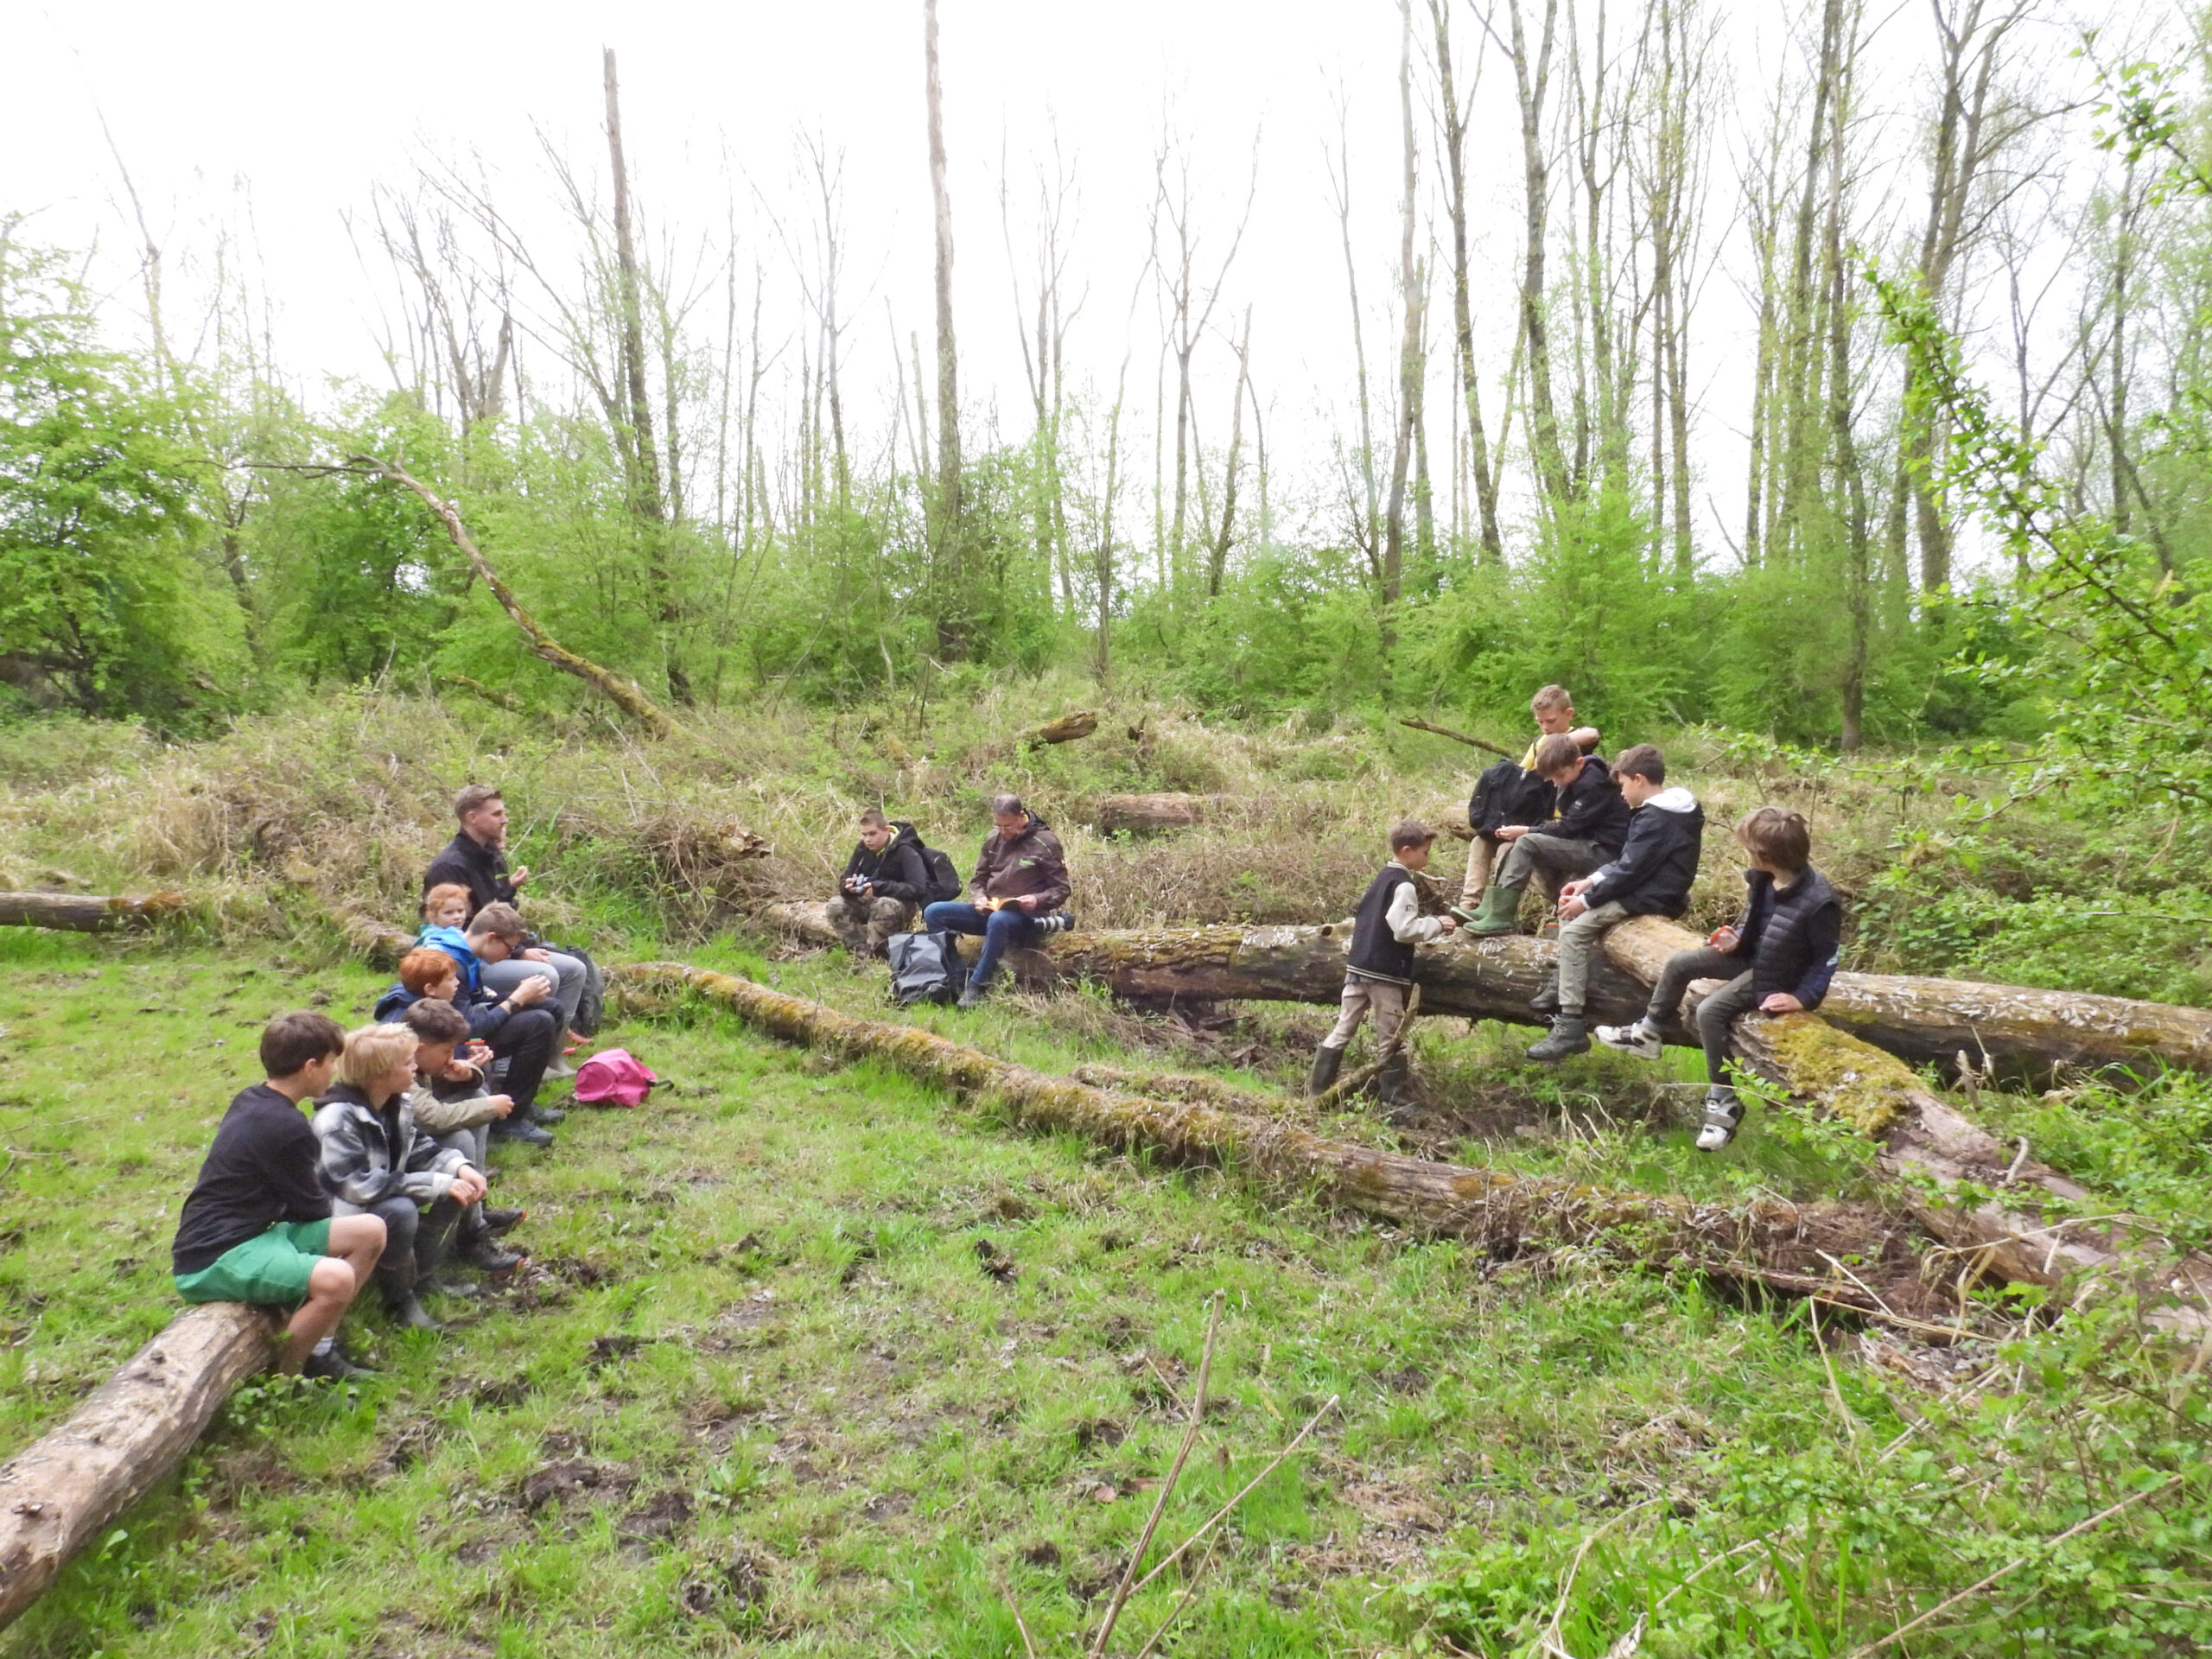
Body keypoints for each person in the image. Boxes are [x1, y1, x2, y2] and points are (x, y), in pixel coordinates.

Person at [1596, 806, 1843, 1151]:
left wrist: (1803, 997)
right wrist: (1735, 937)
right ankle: (1648, 1031)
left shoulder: (1820, 901)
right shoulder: (1764, 878)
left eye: (1747, 848)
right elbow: (1754, 921)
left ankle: (1723, 1099)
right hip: (1750, 954)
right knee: (1680, 963)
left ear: (1764, 855)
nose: (1744, 852)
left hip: (1776, 974)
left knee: (1708, 1011)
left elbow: (1826, 957)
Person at [170, 1014, 388, 1378]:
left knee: (371, 1230)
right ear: (310, 1066)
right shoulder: (287, 1127)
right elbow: (312, 1209)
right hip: (216, 1254)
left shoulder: (253, 1098)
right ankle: (285, 1379)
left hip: (255, 1232)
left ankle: (321, 1346)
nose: (335, 1072)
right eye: (332, 1062)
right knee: (337, 1279)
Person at [1525, 744, 1705, 1061]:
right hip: (1645, 887)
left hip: (1653, 896)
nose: (1620, 794)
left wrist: (1587, 901)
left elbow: (1630, 873)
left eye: (1622, 785)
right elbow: (1627, 860)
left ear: (1638, 779)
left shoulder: (1657, 818)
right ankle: (1563, 980)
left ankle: (1569, 1024)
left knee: (1574, 929)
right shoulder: (1665, 811)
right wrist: (1590, 881)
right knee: (1571, 912)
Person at [312, 1022, 489, 1332]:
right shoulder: (337, 1120)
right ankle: (399, 1299)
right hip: (341, 1216)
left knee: (455, 1189)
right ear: (381, 1074)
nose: (415, 1068)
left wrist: (459, 1168)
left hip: (380, 1193)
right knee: (401, 1210)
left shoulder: (397, 1102)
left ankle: (424, 1276)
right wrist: (436, 1183)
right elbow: (358, 1187)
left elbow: (419, 1148)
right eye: (407, 1063)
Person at [422, 785, 597, 1052]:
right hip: (475, 957)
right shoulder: (450, 866)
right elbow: (465, 929)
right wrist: (517, 953)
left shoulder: (491, 856)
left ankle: (554, 1051)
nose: (505, 820)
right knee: (546, 974)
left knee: (575, 968)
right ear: (472, 817)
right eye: (497, 814)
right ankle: (526, 1047)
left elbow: (499, 909)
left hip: (502, 943)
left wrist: (511, 891)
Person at [1306, 820, 1459, 1109]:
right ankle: (1395, 1100)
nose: (1428, 857)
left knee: (1343, 1028)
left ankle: (1317, 1091)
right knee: (1390, 1036)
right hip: (1384, 973)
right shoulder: (1403, 885)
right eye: (1425, 852)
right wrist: (1436, 924)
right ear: (1406, 851)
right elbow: (1402, 929)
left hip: (1357, 968)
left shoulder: (1380, 879)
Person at [376, 937, 561, 1145]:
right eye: (451, 979)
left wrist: (467, 1056)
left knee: (547, 1011)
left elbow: (462, 1034)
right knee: (538, 1024)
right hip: (419, 1105)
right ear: (430, 989)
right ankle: (505, 1120)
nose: (457, 983)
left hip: (435, 1082)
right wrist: (514, 1000)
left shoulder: (434, 1004)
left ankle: (513, 1108)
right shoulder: (405, 1030)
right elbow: (425, 1094)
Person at [395, 998, 526, 1292]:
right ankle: (470, 1233)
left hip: (414, 1142)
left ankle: (474, 1213)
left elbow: (431, 1105)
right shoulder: (398, 1065)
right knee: (460, 1138)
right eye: (446, 1051)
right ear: (419, 1050)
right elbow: (431, 1118)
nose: (450, 1057)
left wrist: (467, 1076)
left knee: (476, 1097)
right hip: (400, 1160)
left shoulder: (418, 1060)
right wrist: (490, 1107)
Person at [1463, 734, 1631, 936]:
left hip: (1603, 852)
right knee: (1522, 842)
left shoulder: (1593, 785)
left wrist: (1526, 830)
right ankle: (1491, 906)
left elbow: (1567, 828)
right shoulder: (1577, 774)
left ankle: (1501, 915)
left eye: (1559, 776)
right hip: (1587, 842)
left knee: (1527, 843)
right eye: (1551, 778)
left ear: (1578, 763)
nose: (1556, 783)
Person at [921, 794, 1073, 1010]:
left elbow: (1062, 889)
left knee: (1000, 919)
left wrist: (1037, 899)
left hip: (1026, 917)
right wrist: (979, 897)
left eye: (1008, 826)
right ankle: (957, 974)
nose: (1003, 832)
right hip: (991, 910)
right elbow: (978, 879)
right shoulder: (994, 838)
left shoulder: (1045, 843)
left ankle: (977, 986)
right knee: (934, 911)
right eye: (998, 826)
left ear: (1021, 817)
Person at [1459, 684, 1601, 911]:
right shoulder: (1540, 743)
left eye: (1551, 721)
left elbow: (1592, 733)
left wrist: (1558, 742)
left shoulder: (1580, 743)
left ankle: (1495, 908)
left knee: (1510, 849)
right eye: (1540, 722)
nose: (1545, 728)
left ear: (1568, 715)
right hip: (1535, 818)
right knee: (1481, 842)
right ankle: (1469, 905)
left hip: (1563, 824)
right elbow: (1521, 779)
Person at [825, 810, 931, 957]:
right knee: (835, 905)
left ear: (886, 830)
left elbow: (918, 889)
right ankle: (860, 952)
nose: (868, 839)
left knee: (883, 905)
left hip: (900, 904)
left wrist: (878, 887)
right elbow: (846, 877)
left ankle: (879, 953)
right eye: (864, 834)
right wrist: (848, 887)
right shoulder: (863, 848)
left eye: (872, 834)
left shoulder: (906, 850)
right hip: (867, 898)